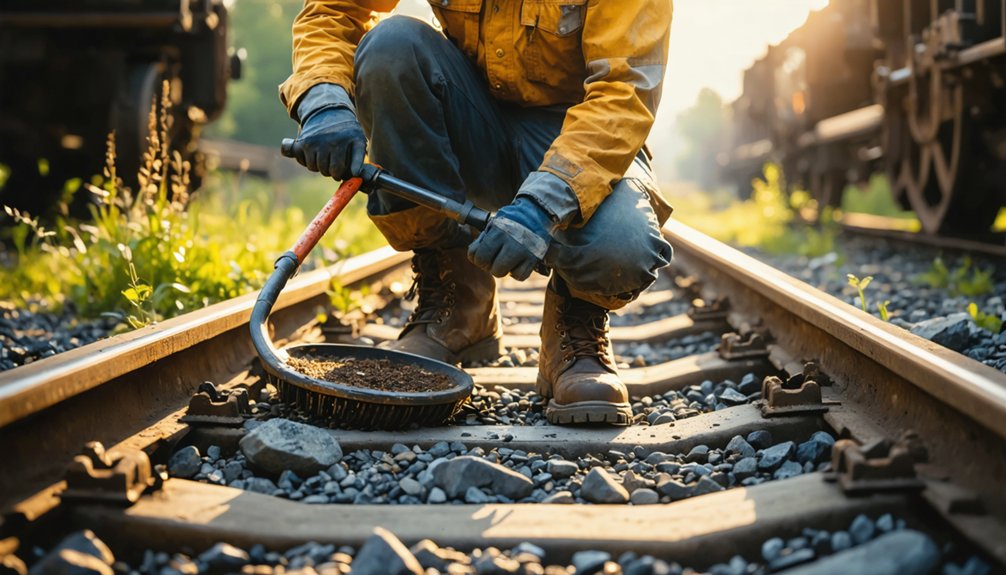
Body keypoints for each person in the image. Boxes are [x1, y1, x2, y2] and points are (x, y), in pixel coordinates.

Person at [281, 0, 674, 425]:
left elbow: (624, 89)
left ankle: (575, 325)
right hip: (466, 113)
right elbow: (335, 9)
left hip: (579, 132)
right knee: (391, 48)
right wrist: (323, 100)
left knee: (622, 247)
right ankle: (458, 305)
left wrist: (544, 202)